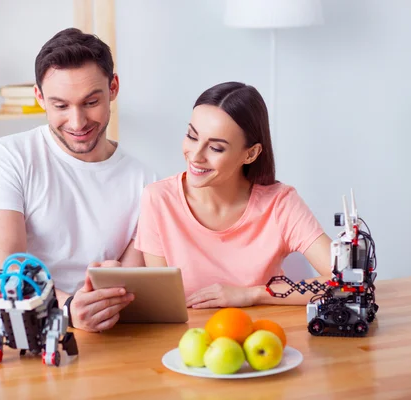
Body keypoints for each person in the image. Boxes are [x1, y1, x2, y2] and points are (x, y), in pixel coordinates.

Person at [0, 28, 157, 333]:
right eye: (61, 106)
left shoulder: (145, 182)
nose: (78, 122)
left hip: (84, 338)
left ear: (114, 88)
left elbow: (125, 289)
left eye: (91, 102)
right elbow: (7, 274)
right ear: (39, 97)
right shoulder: (3, 159)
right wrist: (67, 308)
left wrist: (107, 297)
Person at [134, 81, 332, 309]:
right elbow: (162, 304)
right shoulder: (158, 199)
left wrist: (253, 294)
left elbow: (347, 282)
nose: (196, 155)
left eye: (216, 148)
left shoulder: (280, 203)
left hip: (261, 336)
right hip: (185, 342)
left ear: (250, 154)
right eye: (192, 136)